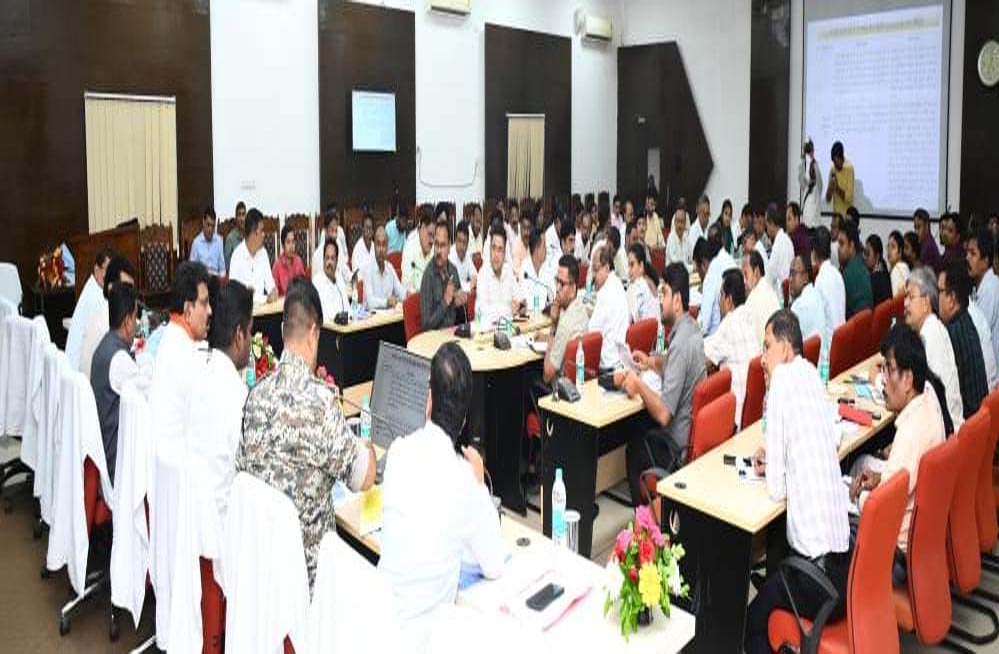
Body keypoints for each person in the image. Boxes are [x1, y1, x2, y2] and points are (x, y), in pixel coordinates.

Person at [236, 278, 376, 589]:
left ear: (283, 330)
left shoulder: (254, 396)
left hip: (261, 574)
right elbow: (364, 479)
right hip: (310, 580)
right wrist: (367, 445)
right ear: (314, 333)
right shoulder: (321, 402)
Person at [745, 310, 850, 654]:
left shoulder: (781, 382)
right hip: (843, 573)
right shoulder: (812, 378)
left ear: (786, 348)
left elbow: (776, 490)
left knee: (750, 624)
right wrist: (786, 462)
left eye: (767, 347)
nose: (762, 359)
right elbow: (830, 438)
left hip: (814, 579)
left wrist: (778, 466)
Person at [379, 342, 504, 628]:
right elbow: (495, 565)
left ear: (429, 399)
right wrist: (479, 483)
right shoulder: (465, 481)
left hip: (381, 627)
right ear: (465, 417)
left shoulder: (398, 452)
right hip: (425, 638)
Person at [849, 324, 946, 586]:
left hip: (892, 555)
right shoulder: (928, 402)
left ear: (908, 379)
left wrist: (856, 494)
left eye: (889, 370)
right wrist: (881, 479)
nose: (883, 379)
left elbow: (879, 509)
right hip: (917, 544)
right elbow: (902, 480)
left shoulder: (912, 431)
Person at [618, 263, 705, 502]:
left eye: (664, 294)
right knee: (641, 426)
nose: (659, 300)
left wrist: (639, 386)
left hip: (675, 447)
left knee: (634, 449)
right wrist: (651, 362)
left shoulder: (680, 344)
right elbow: (675, 366)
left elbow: (665, 415)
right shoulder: (692, 330)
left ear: (677, 300)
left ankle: (645, 522)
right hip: (690, 437)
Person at [186, 280, 253, 519]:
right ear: (239, 335)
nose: (251, 339)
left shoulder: (197, 374)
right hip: (223, 527)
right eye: (250, 331)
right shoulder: (238, 397)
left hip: (192, 518)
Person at [150, 261, 212, 452]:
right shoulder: (187, 355)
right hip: (182, 459)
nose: (210, 311)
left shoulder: (171, 337)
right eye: (204, 303)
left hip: (169, 457)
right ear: (187, 310)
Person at [91, 282, 139, 484]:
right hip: (116, 468)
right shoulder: (119, 361)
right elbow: (148, 400)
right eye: (135, 318)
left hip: (103, 453)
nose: (136, 324)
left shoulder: (104, 344)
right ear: (127, 322)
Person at [904, 267, 962, 429]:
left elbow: (908, 393)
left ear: (926, 302)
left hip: (944, 432)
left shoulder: (928, 337)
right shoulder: (935, 327)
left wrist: (878, 380)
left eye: (911, 297)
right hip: (949, 425)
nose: (905, 303)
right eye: (905, 297)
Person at [704, 270, 759, 428]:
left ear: (729, 300)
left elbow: (703, 359)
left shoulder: (729, 323)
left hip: (735, 418)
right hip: (753, 415)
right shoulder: (749, 318)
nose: (719, 301)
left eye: (721, 295)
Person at [937, 260, 988, 417]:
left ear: (952, 299)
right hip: (979, 420)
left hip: (967, 422)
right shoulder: (967, 320)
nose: (936, 298)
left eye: (939, 291)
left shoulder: (951, 335)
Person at [78, 256, 136, 379]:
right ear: (110, 287)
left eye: (132, 289)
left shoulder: (103, 309)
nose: (130, 295)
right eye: (125, 288)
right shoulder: (109, 317)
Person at [541, 255, 590, 384]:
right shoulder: (581, 310)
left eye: (562, 284)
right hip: (578, 385)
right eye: (556, 280)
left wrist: (553, 325)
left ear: (573, 289)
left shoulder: (565, 324)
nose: (557, 288)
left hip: (559, 389)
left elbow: (547, 375)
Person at [66, 248, 111, 370]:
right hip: (79, 368)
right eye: (107, 270)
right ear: (97, 270)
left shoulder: (94, 287)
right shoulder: (95, 296)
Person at [588, 243, 630, 370]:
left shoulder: (604, 294)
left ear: (606, 268)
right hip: (622, 360)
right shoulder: (617, 283)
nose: (593, 275)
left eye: (596, 270)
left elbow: (591, 332)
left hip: (607, 365)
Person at [421, 222, 467, 331]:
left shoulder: (453, 271)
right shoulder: (429, 276)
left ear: (449, 247)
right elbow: (426, 325)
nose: (438, 251)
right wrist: (445, 301)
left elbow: (459, 312)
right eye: (436, 245)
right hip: (435, 337)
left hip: (453, 333)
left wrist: (460, 301)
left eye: (442, 245)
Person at [229, 208, 278, 305]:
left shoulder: (263, 253)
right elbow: (233, 294)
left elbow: (270, 285)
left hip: (264, 311)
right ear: (253, 233)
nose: (264, 235)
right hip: (243, 312)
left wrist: (273, 291)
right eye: (262, 231)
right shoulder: (237, 256)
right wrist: (265, 299)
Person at [812, 226, 846, 361]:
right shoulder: (837, 274)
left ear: (814, 252)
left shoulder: (820, 281)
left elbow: (820, 324)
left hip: (829, 351)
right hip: (843, 342)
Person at [474, 225, 517, 326]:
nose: (496, 254)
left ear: (504, 253)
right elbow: (482, 311)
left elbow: (518, 297)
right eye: (493, 248)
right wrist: (508, 309)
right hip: (487, 331)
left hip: (508, 329)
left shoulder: (508, 272)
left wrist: (521, 305)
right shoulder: (483, 274)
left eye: (500, 249)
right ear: (489, 250)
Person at [695, 234, 737, 337]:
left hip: (716, 336)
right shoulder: (729, 259)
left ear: (703, 264)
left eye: (698, 270)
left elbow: (703, 326)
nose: (700, 276)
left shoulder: (710, 275)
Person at [968, 228, 999, 362]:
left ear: (985, 261)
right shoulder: (979, 286)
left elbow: (978, 332)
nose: (967, 258)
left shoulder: (991, 287)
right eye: (967, 253)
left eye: (973, 253)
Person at [743, 250, 780, 344]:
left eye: (746, 274)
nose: (743, 281)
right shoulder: (770, 291)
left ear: (756, 272)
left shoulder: (751, 301)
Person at [365, 225, 406, 311]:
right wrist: (386, 302)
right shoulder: (368, 269)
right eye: (378, 245)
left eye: (384, 245)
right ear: (374, 247)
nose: (381, 249)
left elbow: (401, 292)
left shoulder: (390, 268)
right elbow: (370, 302)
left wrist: (410, 295)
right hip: (372, 318)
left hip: (389, 317)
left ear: (387, 248)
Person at [838, 221, 873, 318]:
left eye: (842, 244)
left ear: (851, 246)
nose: (838, 249)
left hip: (853, 324)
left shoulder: (848, 274)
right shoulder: (862, 263)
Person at [789, 253, 825, 343]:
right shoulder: (817, 294)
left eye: (793, 274)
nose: (790, 279)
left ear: (805, 277)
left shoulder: (798, 307)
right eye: (790, 274)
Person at [519, 228, 554, 311]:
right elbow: (524, 300)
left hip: (544, 315)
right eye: (544, 246)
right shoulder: (525, 267)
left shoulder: (547, 267)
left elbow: (553, 295)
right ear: (537, 249)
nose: (546, 249)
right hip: (529, 316)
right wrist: (543, 305)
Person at [312, 205, 349, 282]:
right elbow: (316, 283)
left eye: (336, 231)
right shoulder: (317, 256)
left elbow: (346, 272)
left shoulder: (338, 246)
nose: (335, 235)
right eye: (332, 231)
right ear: (325, 231)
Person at [402, 207, 435, 295]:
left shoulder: (433, 250)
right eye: (430, 234)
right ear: (421, 229)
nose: (432, 241)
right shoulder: (409, 248)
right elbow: (407, 287)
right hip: (415, 300)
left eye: (434, 236)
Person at [765, 203, 794, 300]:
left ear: (771, 223)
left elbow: (769, 277)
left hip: (780, 296)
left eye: (767, 224)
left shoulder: (778, 244)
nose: (766, 228)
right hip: (789, 293)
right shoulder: (787, 240)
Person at [315, 239, 349, 320]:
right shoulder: (317, 282)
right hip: (327, 326)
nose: (329, 262)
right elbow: (322, 315)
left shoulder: (339, 278)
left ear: (337, 261)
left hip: (344, 325)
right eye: (327, 258)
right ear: (323, 260)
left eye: (332, 258)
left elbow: (347, 307)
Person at [626, 244, 661, 324]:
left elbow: (625, 322)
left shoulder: (635, 287)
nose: (629, 271)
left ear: (641, 266)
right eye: (628, 266)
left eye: (632, 265)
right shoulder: (652, 281)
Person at [271, 224, 306, 297]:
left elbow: (303, 286)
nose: (291, 246)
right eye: (288, 242)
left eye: (293, 242)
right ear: (283, 245)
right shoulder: (277, 266)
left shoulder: (298, 261)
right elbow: (273, 291)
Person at [189, 207, 225, 276]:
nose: (210, 229)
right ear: (203, 222)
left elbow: (222, 269)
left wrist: (221, 279)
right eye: (208, 225)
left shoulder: (219, 241)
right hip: (202, 278)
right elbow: (191, 269)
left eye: (213, 226)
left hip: (215, 278)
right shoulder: (196, 243)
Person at [824, 141, 855, 217]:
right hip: (836, 217)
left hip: (847, 218)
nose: (835, 165)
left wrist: (837, 188)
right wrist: (830, 188)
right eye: (833, 162)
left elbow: (849, 198)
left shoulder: (849, 168)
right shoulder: (832, 170)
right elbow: (828, 200)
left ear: (842, 157)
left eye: (836, 162)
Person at [798, 138, 823, 228]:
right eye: (810, 167)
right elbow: (800, 175)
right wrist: (803, 157)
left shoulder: (818, 187)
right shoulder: (806, 186)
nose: (812, 169)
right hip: (805, 226)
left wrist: (812, 157)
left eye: (813, 168)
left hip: (815, 228)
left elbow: (818, 175)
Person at [861, 234, 891, 307]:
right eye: (864, 253)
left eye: (867, 253)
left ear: (877, 256)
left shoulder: (875, 278)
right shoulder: (884, 271)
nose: (864, 257)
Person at [448, 221, 477, 293]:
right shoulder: (449, 256)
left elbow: (475, 277)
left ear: (467, 244)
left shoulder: (467, 255)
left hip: (464, 295)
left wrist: (470, 283)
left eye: (464, 242)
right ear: (455, 240)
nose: (461, 246)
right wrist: (469, 285)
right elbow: (453, 285)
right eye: (459, 241)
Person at [665, 199, 693, 271]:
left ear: (685, 223)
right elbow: (678, 266)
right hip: (673, 274)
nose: (680, 225)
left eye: (682, 222)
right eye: (678, 221)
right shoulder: (671, 238)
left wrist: (693, 265)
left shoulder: (687, 238)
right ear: (674, 222)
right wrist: (692, 268)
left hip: (685, 273)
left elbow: (691, 258)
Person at [224, 201, 247, 272]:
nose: (242, 219)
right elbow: (227, 266)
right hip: (236, 274)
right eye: (239, 215)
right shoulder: (230, 238)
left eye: (243, 214)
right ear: (236, 218)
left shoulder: (250, 235)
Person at [887, 231, 910, 297]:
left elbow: (896, 298)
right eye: (888, 246)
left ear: (900, 251)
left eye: (893, 247)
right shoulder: (904, 266)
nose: (889, 250)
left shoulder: (898, 268)